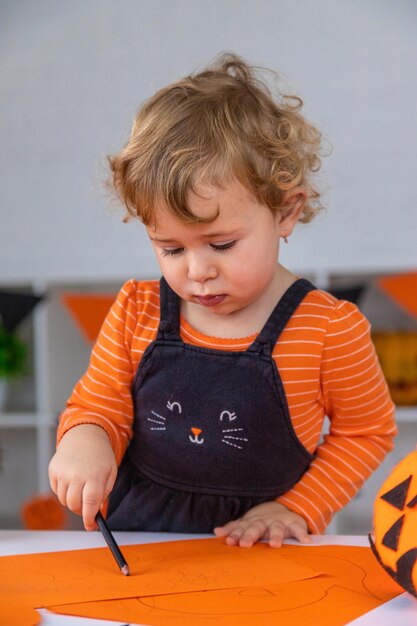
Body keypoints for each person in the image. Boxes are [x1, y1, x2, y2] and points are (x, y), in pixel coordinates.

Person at [48, 53, 397, 548]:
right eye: (170, 249)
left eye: (221, 244)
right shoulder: (136, 310)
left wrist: (296, 507)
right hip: (139, 541)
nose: (197, 271)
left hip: (262, 547)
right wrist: (85, 439)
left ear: (285, 211)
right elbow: (98, 404)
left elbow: (367, 432)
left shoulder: (329, 328)